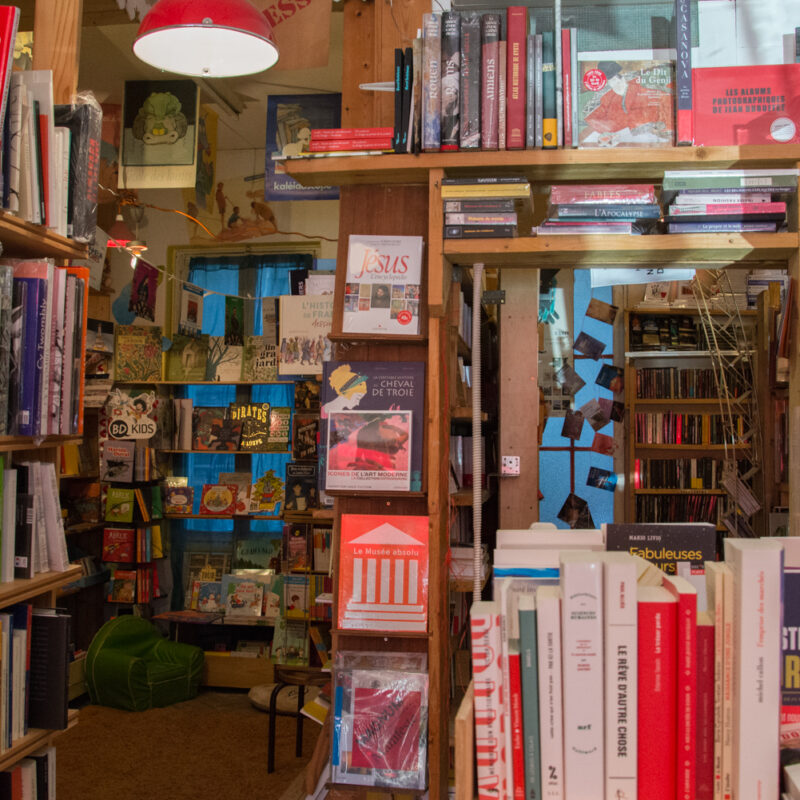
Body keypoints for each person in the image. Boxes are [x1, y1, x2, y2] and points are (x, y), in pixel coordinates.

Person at [581, 61, 674, 146]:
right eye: (611, 81)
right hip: (626, 140)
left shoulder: (641, 88)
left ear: (622, 79)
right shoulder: (607, 98)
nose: (615, 84)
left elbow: (664, 103)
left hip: (653, 137)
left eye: (616, 80)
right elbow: (595, 119)